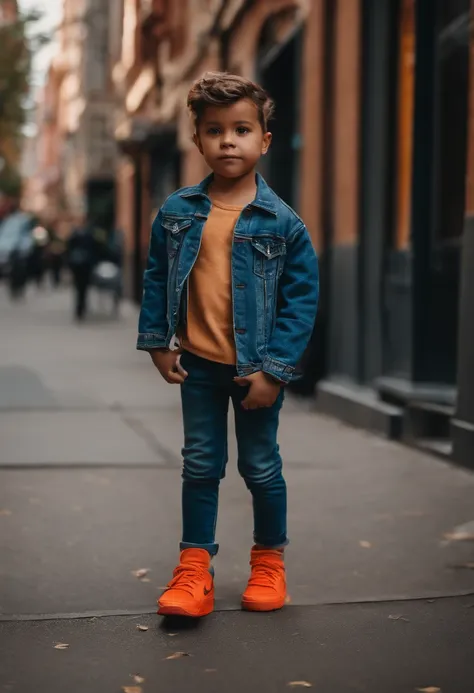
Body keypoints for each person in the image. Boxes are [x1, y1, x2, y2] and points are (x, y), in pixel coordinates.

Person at [137, 72, 319, 618]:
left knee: (260, 466)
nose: (228, 141)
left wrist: (276, 371)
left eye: (242, 129)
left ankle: (269, 563)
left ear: (264, 140)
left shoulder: (282, 223)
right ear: (197, 140)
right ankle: (194, 568)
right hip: (197, 366)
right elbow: (156, 276)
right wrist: (157, 343)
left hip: (256, 372)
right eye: (214, 130)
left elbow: (300, 301)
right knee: (200, 465)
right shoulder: (176, 212)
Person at [67, 219, 106, 321]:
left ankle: (80, 308)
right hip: (84, 266)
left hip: (81, 266)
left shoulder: (77, 235)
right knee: (82, 288)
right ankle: (81, 307)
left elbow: (69, 250)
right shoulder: (89, 235)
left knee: (80, 288)